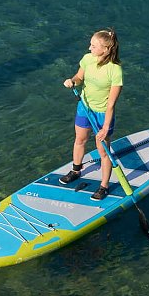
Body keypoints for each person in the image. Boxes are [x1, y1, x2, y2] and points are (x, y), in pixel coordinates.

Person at [58, 28, 123, 200]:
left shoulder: (115, 70)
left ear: (106, 49)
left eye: (94, 46)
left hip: (103, 114)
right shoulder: (87, 59)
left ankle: (104, 186)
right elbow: (79, 77)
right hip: (84, 107)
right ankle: (76, 170)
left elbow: (111, 104)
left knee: (103, 151)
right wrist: (72, 81)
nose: (89, 48)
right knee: (79, 140)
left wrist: (105, 128)